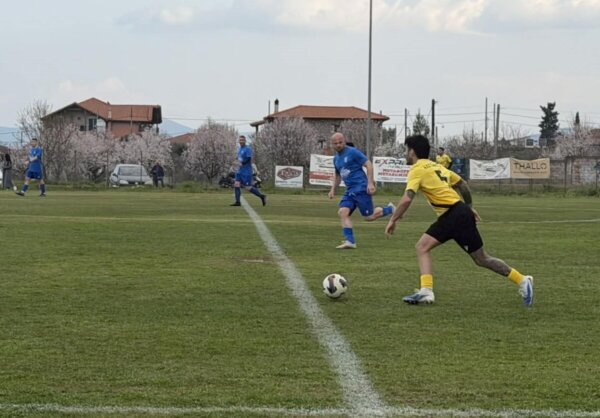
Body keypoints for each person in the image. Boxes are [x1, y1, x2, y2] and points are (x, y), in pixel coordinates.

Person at [384, 135, 533, 306]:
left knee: (422, 247)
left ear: (412, 151)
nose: (406, 154)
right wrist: (469, 207)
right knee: (481, 259)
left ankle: (426, 291)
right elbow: (462, 184)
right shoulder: (436, 166)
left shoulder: (417, 169)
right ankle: (522, 280)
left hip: (452, 214)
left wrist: (393, 219)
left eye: (406, 150)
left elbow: (407, 198)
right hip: (460, 212)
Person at [328, 132, 395, 249]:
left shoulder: (352, 152)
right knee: (343, 212)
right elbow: (338, 175)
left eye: (340, 142)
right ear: (332, 144)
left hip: (360, 188)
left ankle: (390, 209)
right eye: (336, 143)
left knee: (369, 217)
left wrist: (370, 183)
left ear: (344, 141)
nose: (338, 145)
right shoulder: (336, 159)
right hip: (350, 190)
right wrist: (333, 189)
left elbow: (368, 164)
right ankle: (350, 241)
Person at [230, 135, 266, 207]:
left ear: (245, 141)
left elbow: (248, 159)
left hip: (246, 172)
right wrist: (235, 162)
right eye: (240, 140)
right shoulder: (239, 149)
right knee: (236, 185)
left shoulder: (247, 149)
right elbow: (239, 158)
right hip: (239, 171)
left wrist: (242, 163)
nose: (241, 141)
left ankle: (262, 196)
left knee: (248, 188)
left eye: (242, 140)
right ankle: (238, 202)